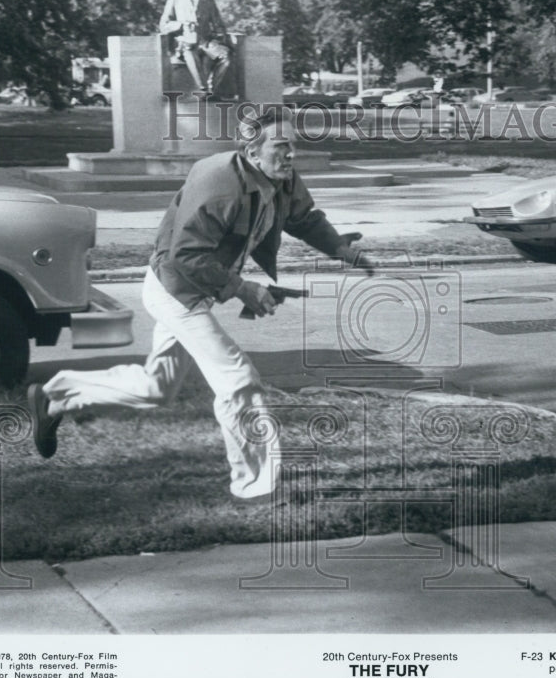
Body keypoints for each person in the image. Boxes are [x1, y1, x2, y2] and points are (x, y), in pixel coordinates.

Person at [28, 108, 372, 500]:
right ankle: (255, 488)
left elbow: (304, 217)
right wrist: (244, 290)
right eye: (282, 146)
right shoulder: (219, 182)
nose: (291, 154)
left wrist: (342, 250)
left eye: (293, 145)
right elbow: (185, 257)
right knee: (238, 379)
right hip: (174, 290)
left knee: (157, 388)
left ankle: (56, 396)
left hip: (196, 288)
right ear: (253, 151)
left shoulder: (280, 176)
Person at [159, 0, 233, 94]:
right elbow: (164, 25)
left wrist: (219, 40)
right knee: (190, 52)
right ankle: (203, 90)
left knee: (225, 57)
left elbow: (218, 24)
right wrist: (182, 25)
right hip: (184, 44)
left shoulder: (208, 0)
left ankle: (212, 87)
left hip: (206, 43)